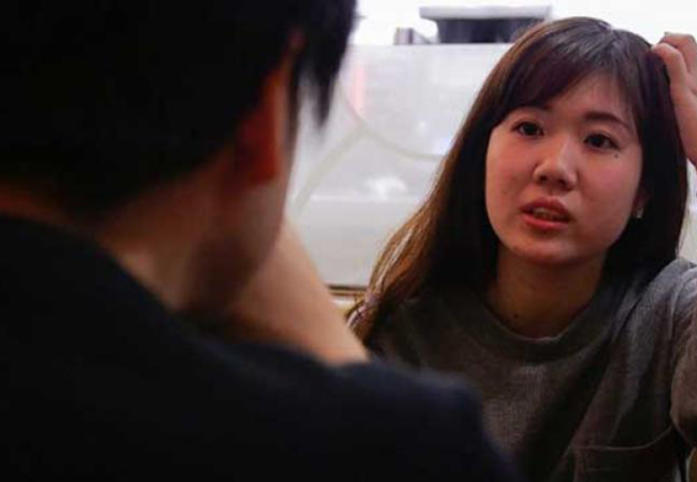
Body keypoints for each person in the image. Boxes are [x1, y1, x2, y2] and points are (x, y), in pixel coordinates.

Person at [1, 1, 521, 480]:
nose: (553, 169)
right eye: (527, 128)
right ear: (263, 113)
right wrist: (332, 352)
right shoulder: (394, 449)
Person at [350, 17, 697, 482]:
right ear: (482, 152)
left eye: (599, 140)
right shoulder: (404, 329)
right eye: (530, 128)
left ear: (643, 192)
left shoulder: (666, 308)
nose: (555, 168)